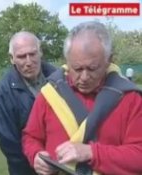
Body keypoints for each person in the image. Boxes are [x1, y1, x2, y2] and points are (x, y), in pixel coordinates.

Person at [22, 21, 142, 175]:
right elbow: (31, 137)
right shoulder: (50, 93)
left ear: (109, 60)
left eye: (92, 68)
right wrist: (36, 155)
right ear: (67, 61)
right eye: (77, 69)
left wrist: (92, 153)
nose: (84, 77)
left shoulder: (130, 98)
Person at [0, 31, 56, 175]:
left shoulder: (58, 77)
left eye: (32, 54)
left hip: (61, 165)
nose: (28, 62)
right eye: (21, 56)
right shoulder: (4, 92)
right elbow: (9, 142)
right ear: (12, 58)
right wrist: (36, 163)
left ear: (40, 52)